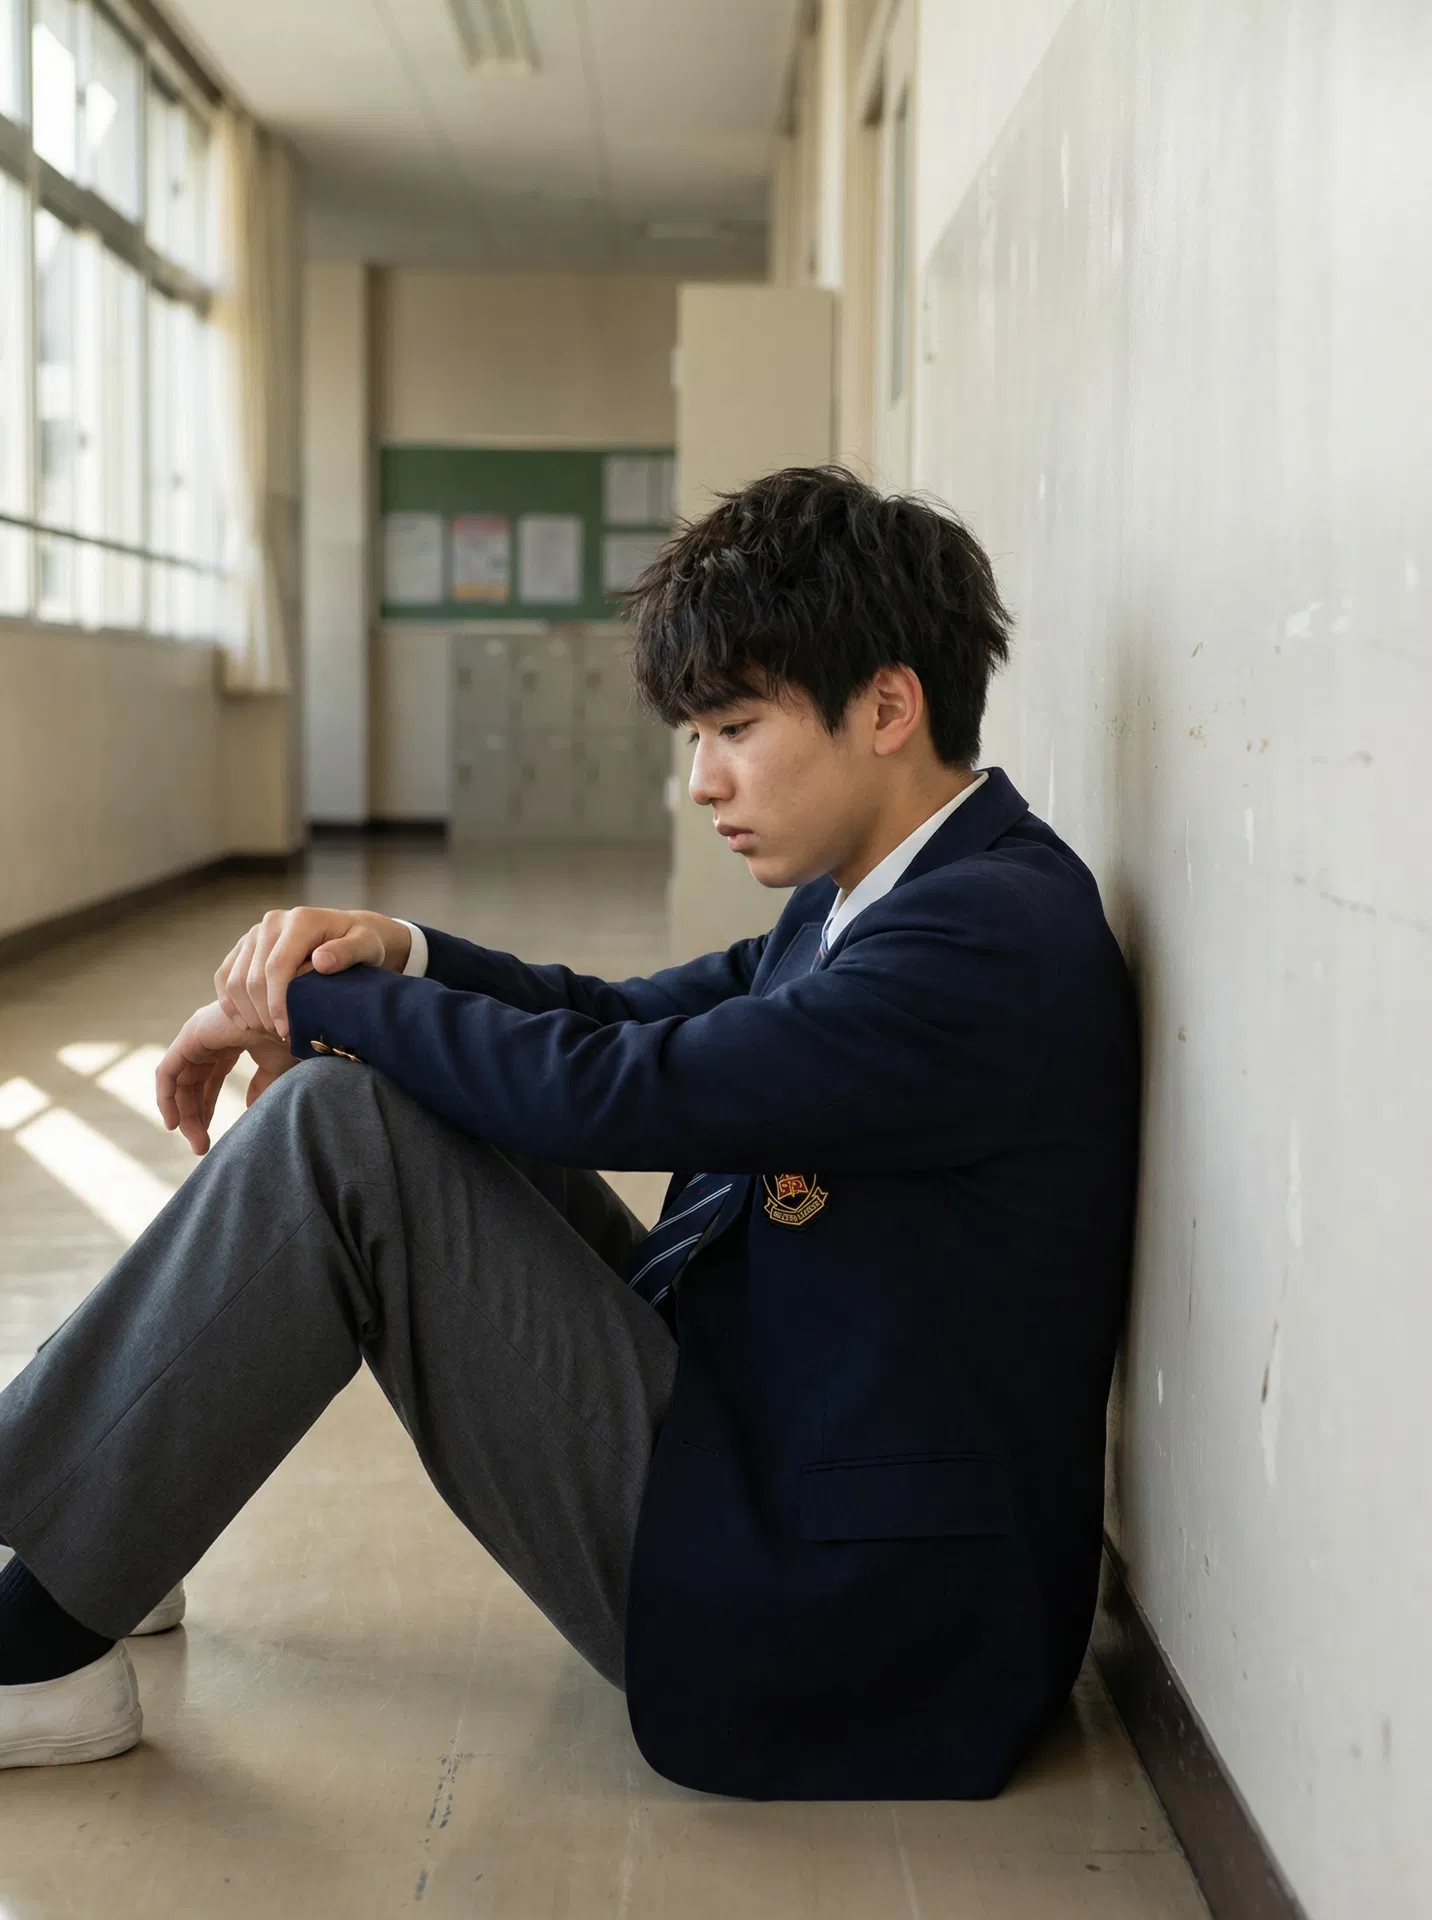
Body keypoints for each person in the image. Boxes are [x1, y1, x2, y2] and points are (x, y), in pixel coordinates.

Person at [0, 467, 1139, 1798]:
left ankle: (37, 1649)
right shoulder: (890, 895)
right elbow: (616, 1015)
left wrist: (315, 998)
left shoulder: (979, 940)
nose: (703, 781)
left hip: (834, 1613)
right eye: (692, 736)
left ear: (887, 705)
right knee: (382, 1086)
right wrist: (396, 952)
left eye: (733, 727)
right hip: (777, 1454)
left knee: (347, 1123)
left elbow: (624, 1090)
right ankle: (97, 1532)